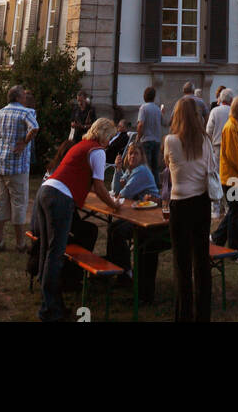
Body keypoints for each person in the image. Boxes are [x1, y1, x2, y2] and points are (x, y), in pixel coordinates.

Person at [34, 117, 118, 322]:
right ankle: (50, 311)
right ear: (104, 134)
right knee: (55, 253)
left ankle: (50, 303)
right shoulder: (97, 150)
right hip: (59, 199)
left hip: (45, 192)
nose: (111, 142)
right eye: (111, 137)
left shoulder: (81, 145)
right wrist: (115, 205)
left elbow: (83, 179)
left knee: (48, 250)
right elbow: (98, 186)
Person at [164, 97, 216, 322]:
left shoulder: (171, 140)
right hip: (202, 202)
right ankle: (203, 314)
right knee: (202, 261)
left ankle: (183, 314)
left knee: (182, 263)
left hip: (181, 204)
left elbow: (167, 165)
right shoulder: (204, 140)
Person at [108, 140, 167, 303]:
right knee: (113, 228)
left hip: (151, 217)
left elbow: (123, 194)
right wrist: (118, 170)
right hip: (138, 213)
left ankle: (125, 272)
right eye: (130, 153)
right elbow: (116, 190)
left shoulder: (141, 170)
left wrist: (120, 191)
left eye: (136, 153)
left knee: (117, 231)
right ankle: (122, 272)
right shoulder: (131, 170)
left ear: (142, 157)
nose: (132, 156)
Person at [0, 84, 38, 253]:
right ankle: (20, 243)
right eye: (23, 95)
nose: (25, 98)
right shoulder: (25, 112)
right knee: (19, 203)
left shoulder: (2, 111)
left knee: (0, 203)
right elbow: (35, 127)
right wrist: (24, 142)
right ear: (18, 97)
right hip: (18, 164)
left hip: (0, 163)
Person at [212, 94, 238, 261]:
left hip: (235, 178)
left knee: (234, 211)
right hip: (233, 179)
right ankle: (235, 251)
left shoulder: (237, 127)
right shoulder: (231, 128)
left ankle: (217, 238)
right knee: (236, 214)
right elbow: (233, 155)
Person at [206, 88, 232, 223]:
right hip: (231, 149)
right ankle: (229, 207)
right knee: (231, 177)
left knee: (215, 177)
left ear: (220, 100)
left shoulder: (215, 111)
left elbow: (208, 131)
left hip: (217, 147)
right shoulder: (233, 111)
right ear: (231, 100)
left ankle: (215, 209)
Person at [136, 86, 163, 182]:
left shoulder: (143, 108)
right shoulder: (157, 109)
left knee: (146, 165)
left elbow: (141, 124)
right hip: (156, 140)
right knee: (155, 166)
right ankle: (155, 186)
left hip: (146, 139)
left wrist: (138, 137)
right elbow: (162, 123)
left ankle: (146, 184)